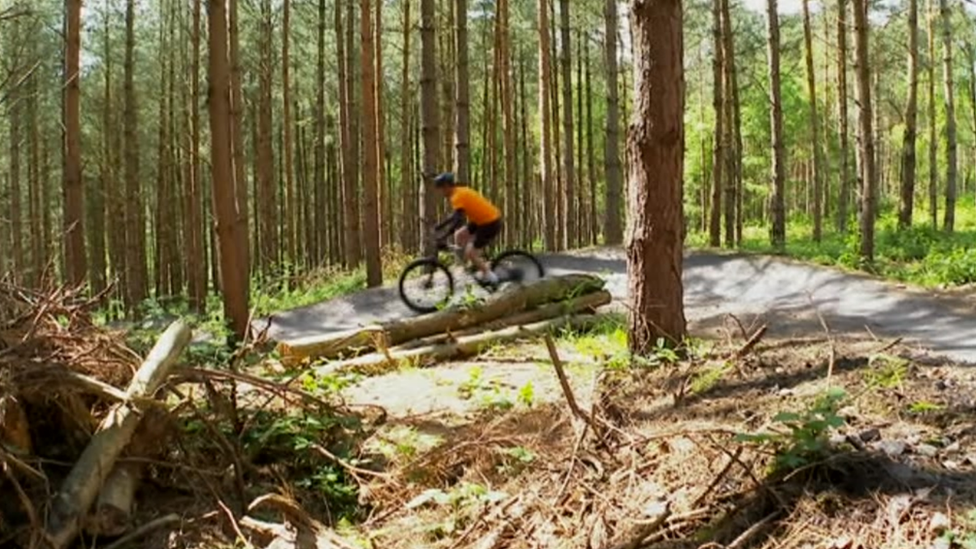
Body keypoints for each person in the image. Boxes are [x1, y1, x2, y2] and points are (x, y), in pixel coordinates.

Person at [430, 172, 502, 285]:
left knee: (470, 252)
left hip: (490, 222)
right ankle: (477, 264)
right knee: (459, 235)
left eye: (441, 189)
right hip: (481, 220)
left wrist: (445, 234)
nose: (441, 192)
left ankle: (492, 278)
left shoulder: (457, 196)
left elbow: (459, 219)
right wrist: (441, 225)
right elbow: (455, 215)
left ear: (447, 186)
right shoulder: (458, 192)